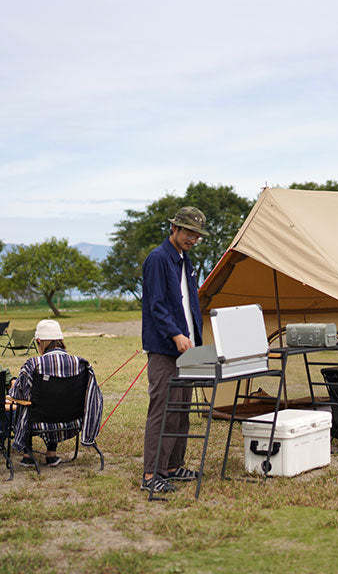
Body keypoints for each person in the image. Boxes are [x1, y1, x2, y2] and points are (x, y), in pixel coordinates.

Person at [140, 206, 209, 493]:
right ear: (175, 229)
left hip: (188, 348)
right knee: (163, 410)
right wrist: (175, 334)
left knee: (181, 410)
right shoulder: (158, 259)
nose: (193, 238)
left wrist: (194, 338)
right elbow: (156, 304)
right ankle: (151, 474)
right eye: (189, 232)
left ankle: (172, 466)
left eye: (197, 235)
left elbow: (189, 303)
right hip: (165, 348)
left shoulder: (185, 260)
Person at [8, 319, 103, 467]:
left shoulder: (33, 364)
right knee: (58, 400)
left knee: (24, 406)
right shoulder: (81, 364)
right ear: (61, 340)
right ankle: (51, 454)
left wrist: (13, 385)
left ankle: (27, 454)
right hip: (73, 422)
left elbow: (17, 395)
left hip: (39, 423)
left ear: (39, 341)